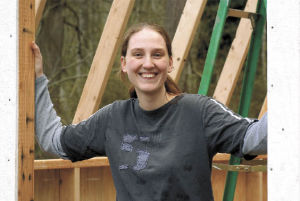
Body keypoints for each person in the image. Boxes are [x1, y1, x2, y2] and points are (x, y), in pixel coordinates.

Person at [32, 23, 267, 201]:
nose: (148, 63)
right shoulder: (113, 118)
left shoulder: (199, 112)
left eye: (157, 54)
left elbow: (256, 138)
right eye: (138, 54)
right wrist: (37, 79)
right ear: (124, 64)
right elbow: (54, 141)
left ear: (170, 63)